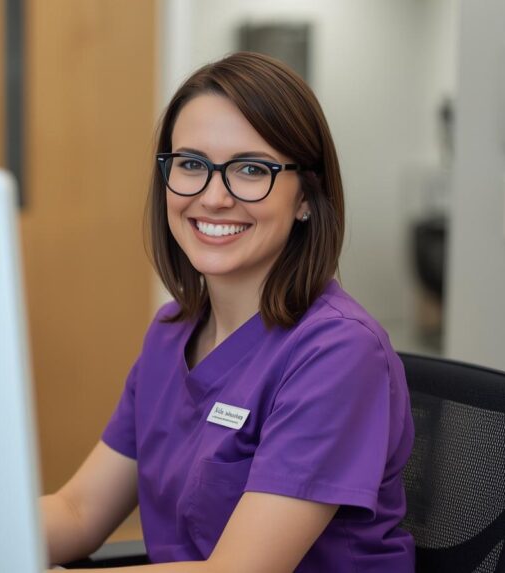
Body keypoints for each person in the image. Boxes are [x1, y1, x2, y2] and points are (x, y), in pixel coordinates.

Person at [40, 52, 415, 572]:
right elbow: (78, 510)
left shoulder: (338, 353)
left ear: (306, 196)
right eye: (191, 164)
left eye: (250, 169)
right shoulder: (170, 333)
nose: (213, 197)